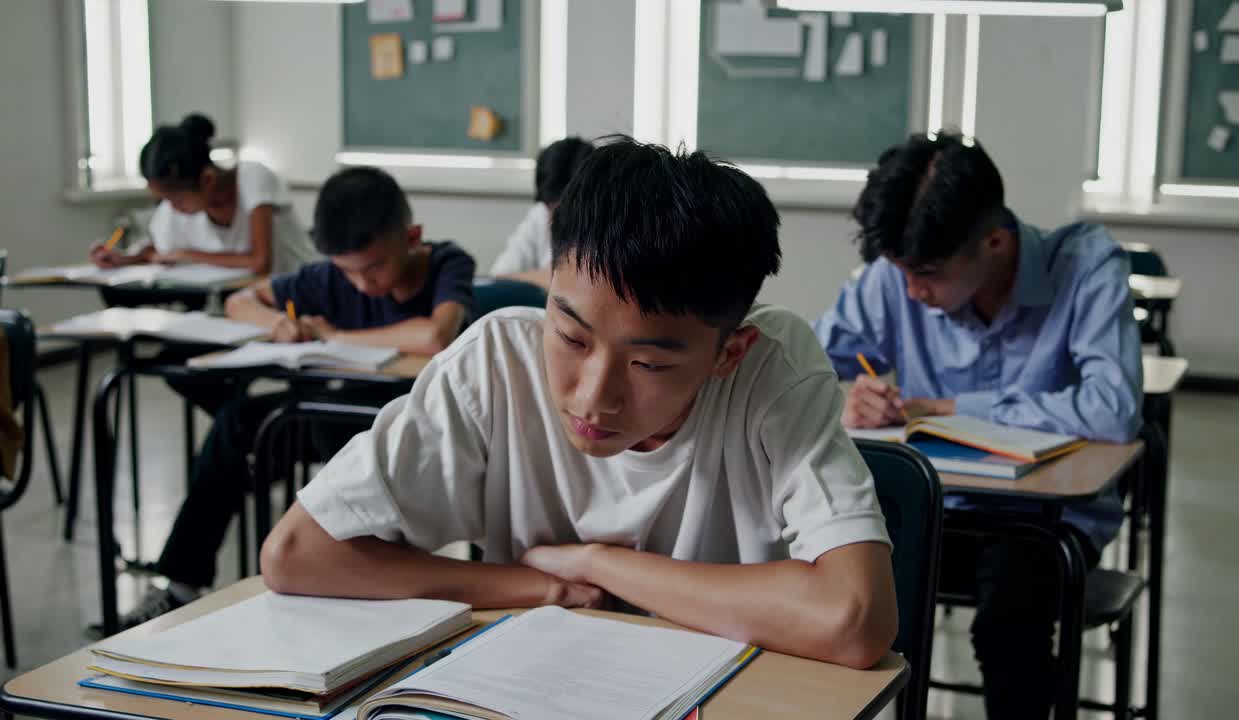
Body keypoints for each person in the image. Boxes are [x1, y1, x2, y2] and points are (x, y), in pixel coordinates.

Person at [259, 137, 898, 670]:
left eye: (648, 364)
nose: (593, 397)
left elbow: (853, 620)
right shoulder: (497, 363)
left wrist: (600, 563)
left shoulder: (772, 372)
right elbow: (296, 554)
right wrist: (540, 587)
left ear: (727, 353)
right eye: (570, 337)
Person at [813, 131, 1142, 718]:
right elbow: (807, 360)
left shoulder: (1085, 267)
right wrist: (847, 403)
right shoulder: (898, 276)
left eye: (928, 274)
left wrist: (951, 407)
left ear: (995, 241)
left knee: (1008, 625)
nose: (912, 291)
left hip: (1044, 522)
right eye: (901, 272)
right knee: (829, 593)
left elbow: (1112, 409)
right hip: (936, 510)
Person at [99, 166, 476, 633]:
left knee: (341, 437)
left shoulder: (446, 263)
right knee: (239, 423)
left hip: (416, 427)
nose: (362, 284)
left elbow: (436, 334)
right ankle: (180, 583)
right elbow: (240, 302)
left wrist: (335, 335)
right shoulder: (327, 277)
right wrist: (276, 323)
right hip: (333, 418)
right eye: (348, 272)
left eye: (375, 267)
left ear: (412, 237)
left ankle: (376, 587)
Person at [89, 113, 314, 276]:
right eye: (165, 200)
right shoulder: (176, 209)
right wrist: (123, 258)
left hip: (298, 295)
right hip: (243, 300)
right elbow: (160, 251)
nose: (172, 207)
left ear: (207, 179)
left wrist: (188, 255)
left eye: (176, 199)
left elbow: (260, 262)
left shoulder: (252, 177)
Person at [488, 137, 593, 289]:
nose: (555, 221)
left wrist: (552, 276)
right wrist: (550, 276)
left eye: (566, 211)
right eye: (551, 209)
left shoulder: (610, 224)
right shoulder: (540, 214)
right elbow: (498, 277)